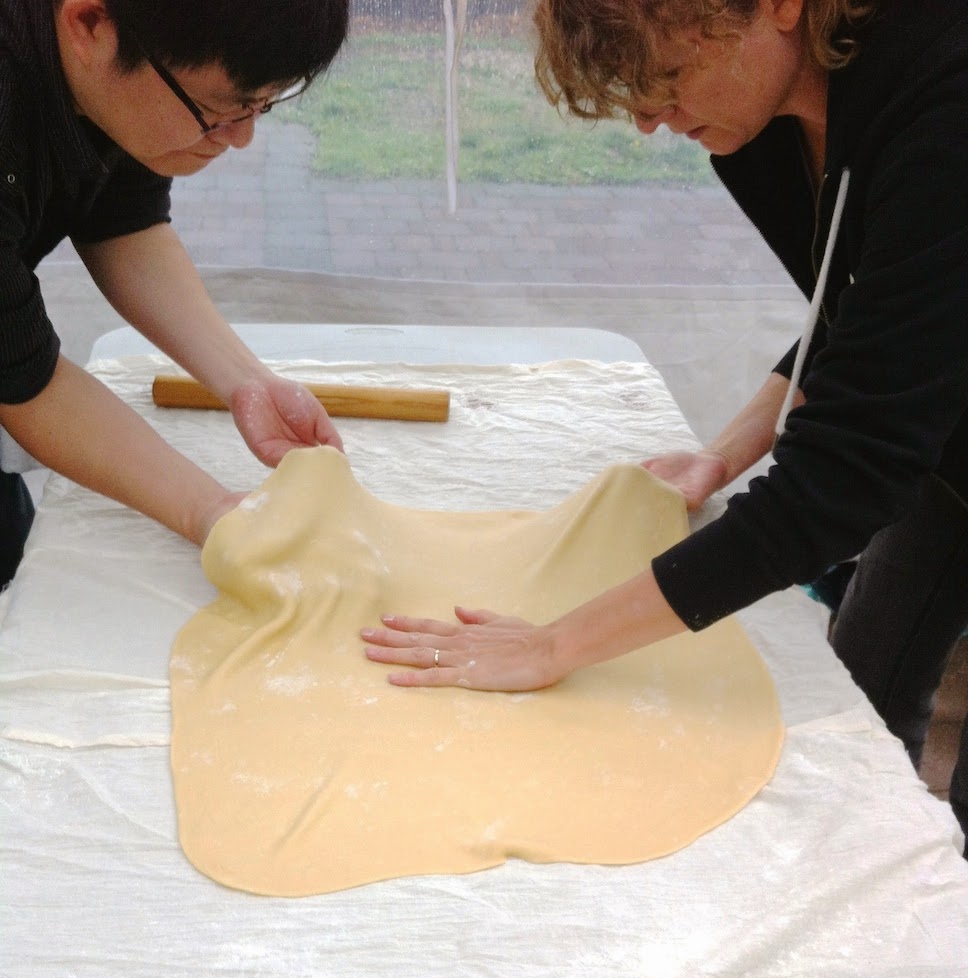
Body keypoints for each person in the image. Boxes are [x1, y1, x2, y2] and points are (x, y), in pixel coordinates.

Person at [360, 0, 968, 849]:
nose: (650, 121)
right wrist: (722, 456)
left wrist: (555, 645)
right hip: (944, 436)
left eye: (670, 80)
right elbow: (870, 314)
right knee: (857, 699)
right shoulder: (759, 127)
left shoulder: (945, 109)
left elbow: (845, 476)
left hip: (924, 430)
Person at [0, 0, 348, 591]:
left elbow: (123, 221)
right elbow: (24, 379)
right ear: (89, 24)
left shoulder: (124, 63)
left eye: (259, 105)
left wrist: (248, 383)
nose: (241, 138)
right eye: (217, 111)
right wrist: (210, 511)